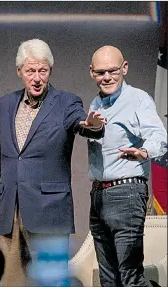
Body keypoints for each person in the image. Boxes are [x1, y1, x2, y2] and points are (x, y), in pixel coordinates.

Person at [0, 38, 106, 286]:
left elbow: (80, 123)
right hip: (10, 210)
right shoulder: (5, 104)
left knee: (50, 283)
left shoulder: (66, 102)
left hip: (49, 210)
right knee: (11, 281)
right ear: (20, 72)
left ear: (50, 70)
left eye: (43, 70)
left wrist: (90, 126)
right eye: (30, 71)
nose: (37, 77)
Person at [87, 45, 167, 287]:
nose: (107, 77)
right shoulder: (95, 104)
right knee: (108, 279)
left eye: (112, 70)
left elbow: (160, 138)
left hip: (127, 193)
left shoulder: (138, 99)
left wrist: (143, 151)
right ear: (92, 73)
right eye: (101, 72)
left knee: (130, 277)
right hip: (99, 195)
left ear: (125, 68)